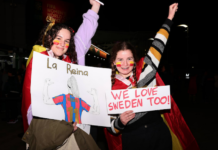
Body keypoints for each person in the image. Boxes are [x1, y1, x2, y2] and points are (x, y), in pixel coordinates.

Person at [105, 3, 178, 150]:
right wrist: (120, 122)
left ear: (134, 60)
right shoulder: (109, 88)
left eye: (129, 59)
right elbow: (110, 128)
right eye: (120, 59)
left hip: (159, 135)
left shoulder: (145, 72)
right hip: (133, 140)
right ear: (113, 62)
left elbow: (158, 45)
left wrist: (169, 18)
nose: (125, 64)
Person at [22, 0, 101, 133]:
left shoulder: (73, 60)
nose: (62, 44)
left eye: (67, 41)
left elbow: (84, 34)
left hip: (73, 126)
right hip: (46, 129)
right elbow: (32, 99)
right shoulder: (40, 61)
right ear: (49, 38)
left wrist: (95, 7)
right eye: (58, 38)